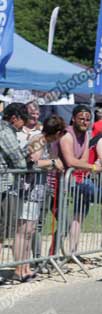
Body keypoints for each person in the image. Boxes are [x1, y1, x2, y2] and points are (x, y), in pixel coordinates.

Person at [52, 105, 102, 254]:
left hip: (79, 178)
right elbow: (71, 162)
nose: (85, 122)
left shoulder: (86, 135)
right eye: (81, 119)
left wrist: (87, 166)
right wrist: (90, 167)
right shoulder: (67, 135)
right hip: (67, 180)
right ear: (73, 119)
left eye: (87, 119)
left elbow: (84, 160)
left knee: (78, 215)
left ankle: (72, 252)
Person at [12, 116, 67, 282]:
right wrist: (52, 161)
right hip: (28, 191)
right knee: (24, 231)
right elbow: (33, 162)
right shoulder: (38, 140)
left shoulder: (44, 141)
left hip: (36, 191)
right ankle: (19, 269)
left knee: (29, 231)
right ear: (57, 132)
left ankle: (25, 267)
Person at [0, 103, 31, 284]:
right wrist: (29, 153)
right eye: (23, 120)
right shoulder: (5, 132)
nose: (23, 125)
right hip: (2, 186)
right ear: (14, 118)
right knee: (1, 233)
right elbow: (19, 162)